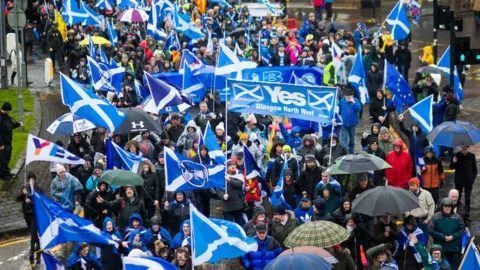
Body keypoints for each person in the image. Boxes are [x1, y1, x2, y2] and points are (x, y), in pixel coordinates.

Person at [429, 198, 465, 269]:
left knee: (454, 267)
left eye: (449, 206)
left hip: (454, 249)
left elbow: (462, 229)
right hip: (440, 250)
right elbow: (430, 230)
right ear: (442, 206)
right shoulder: (435, 217)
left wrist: (453, 236)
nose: (447, 208)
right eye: (445, 206)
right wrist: (443, 237)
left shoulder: (457, 217)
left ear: (452, 207)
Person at [16, 171, 43, 265]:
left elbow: (40, 201)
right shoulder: (24, 188)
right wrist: (23, 194)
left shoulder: (39, 189)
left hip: (35, 214)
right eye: (30, 179)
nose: (32, 181)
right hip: (26, 213)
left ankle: (31, 250)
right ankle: (38, 243)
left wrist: (30, 199)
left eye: (33, 179)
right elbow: (17, 198)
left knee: (32, 232)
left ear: (35, 180)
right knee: (32, 231)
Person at [450, 145, 477, 216]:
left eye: (466, 148)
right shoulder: (456, 155)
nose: (464, 150)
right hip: (459, 180)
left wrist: (472, 179)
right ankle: (457, 212)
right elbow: (451, 167)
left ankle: (467, 213)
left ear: (468, 148)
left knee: (467, 198)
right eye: (463, 148)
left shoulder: (472, 156)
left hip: (468, 180)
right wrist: (454, 162)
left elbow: (475, 169)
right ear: (461, 148)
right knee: (457, 196)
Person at [217, 160, 245, 226]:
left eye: (234, 165)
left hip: (238, 206)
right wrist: (223, 196)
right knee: (228, 226)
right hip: (227, 207)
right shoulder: (222, 177)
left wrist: (229, 180)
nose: (233, 166)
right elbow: (218, 189)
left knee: (239, 225)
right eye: (230, 165)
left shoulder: (239, 175)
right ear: (226, 168)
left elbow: (239, 184)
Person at [0, 102, 22, 179]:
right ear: (6, 110)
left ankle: (6, 172)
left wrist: (18, 124)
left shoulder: (6, 116)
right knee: (2, 159)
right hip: (3, 143)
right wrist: (1, 144)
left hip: (8, 142)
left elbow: (10, 126)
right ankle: (2, 175)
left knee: (7, 158)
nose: (9, 112)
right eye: (8, 110)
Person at [338, 87, 361, 153]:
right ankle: (345, 152)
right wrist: (340, 118)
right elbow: (339, 111)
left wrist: (354, 102)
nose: (348, 97)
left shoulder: (355, 100)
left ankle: (351, 151)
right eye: (347, 95)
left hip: (353, 123)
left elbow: (359, 109)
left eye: (350, 95)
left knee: (352, 139)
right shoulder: (342, 101)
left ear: (352, 95)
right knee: (344, 139)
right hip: (344, 123)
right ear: (345, 95)